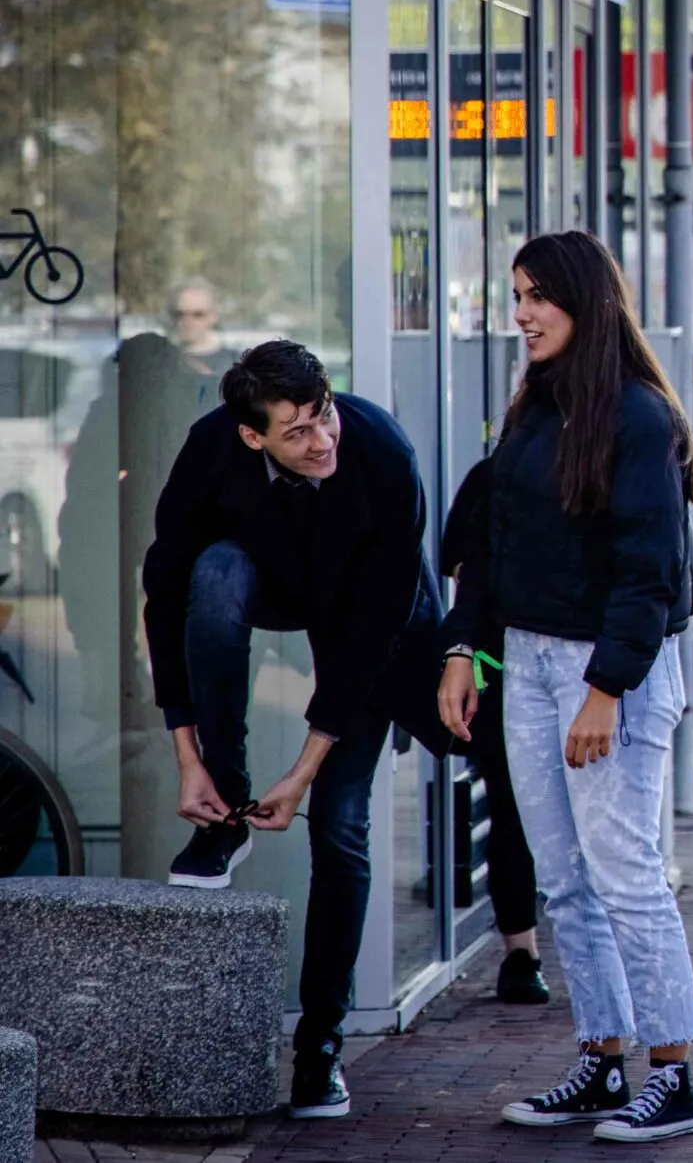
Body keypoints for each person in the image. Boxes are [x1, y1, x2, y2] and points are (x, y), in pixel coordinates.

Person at [437, 230, 693, 1143]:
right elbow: (490, 545)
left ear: (586, 302)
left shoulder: (638, 419)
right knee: (563, 882)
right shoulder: (532, 411)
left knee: (626, 876)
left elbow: (649, 570)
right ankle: (601, 1057)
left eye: (537, 296)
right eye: (516, 295)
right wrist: (462, 651)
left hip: (609, 672)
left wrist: (606, 690)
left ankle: (673, 1075)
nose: (521, 314)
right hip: (530, 661)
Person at [141, 340, 435, 1121]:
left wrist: (304, 770)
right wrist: (189, 758)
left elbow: (370, 638)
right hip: (269, 577)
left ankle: (321, 1050)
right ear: (252, 436)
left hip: (367, 612)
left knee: (339, 825)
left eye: (324, 415)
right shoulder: (212, 452)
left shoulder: (381, 458)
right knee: (212, 574)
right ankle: (226, 810)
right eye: (296, 431)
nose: (321, 440)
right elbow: (164, 596)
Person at [436, 457, 549, 1006]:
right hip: (507, 666)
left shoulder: (496, 471)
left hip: (573, 675)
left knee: (514, 808)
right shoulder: (497, 474)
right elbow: (460, 562)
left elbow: (456, 559)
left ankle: (522, 955)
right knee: (512, 806)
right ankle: (521, 952)